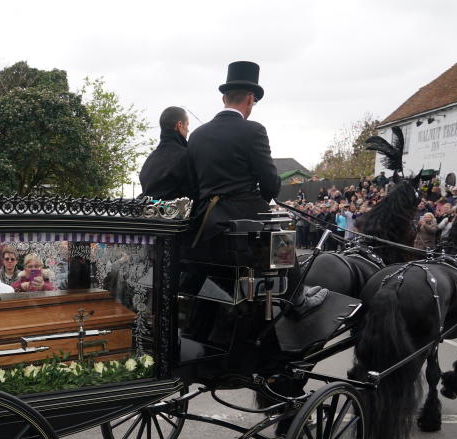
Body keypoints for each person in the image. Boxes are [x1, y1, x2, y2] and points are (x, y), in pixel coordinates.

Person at [186, 60, 325, 313]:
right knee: (282, 233)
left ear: (224, 99)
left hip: (206, 223)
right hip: (243, 219)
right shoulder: (253, 130)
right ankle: (297, 299)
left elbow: (194, 185)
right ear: (250, 99)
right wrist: (256, 198)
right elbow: (271, 184)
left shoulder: (197, 135)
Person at [139, 106, 195, 200]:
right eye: (187, 125)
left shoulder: (150, 159)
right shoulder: (186, 156)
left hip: (147, 212)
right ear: (180, 125)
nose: (188, 130)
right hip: (176, 213)